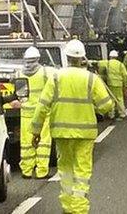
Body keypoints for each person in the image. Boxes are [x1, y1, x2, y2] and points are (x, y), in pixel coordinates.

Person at [32, 39, 114, 214]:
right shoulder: (92, 79)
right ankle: (79, 208)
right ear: (82, 58)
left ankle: (68, 207)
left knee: (66, 170)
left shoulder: (55, 77)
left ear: (67, 56)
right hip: (85, 134)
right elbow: (106, 105)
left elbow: (42, 105)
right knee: (82, 172)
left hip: (61, 133)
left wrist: (36, 130)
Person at [18, 47, 56, 179]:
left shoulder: (19, 74)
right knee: (44, 142)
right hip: (43, 113)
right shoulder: (46, 72)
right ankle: (41, 171)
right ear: (38, 58)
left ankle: (26, 170)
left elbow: (19, 95)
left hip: (26, 114)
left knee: (26, 143)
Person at [97, 50, 127, 121]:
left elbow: (98, 63)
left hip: (110, 83)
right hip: (119, 84)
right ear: (116, 57)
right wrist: (126, 85)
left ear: (110, 56)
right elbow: (125, 75)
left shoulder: (107, 63)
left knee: (111, 99)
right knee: (120, 99)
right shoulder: (120, 64)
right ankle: (122, 114)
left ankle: (111, 114)